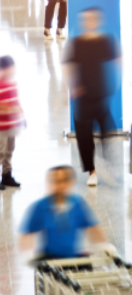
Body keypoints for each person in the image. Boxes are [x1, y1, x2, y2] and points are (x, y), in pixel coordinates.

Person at [63, 8, 121, 186]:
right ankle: (92, 171)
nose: (88, 23)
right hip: (83, 98)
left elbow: (117, 60)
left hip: (100, 95)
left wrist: (117, 81)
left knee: (107, 133)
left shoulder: (105, 41)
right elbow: (68, 65)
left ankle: (109, 166)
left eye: (91, 19)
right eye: (85, 20)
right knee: (84, 136)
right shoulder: (76, 43)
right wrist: (73, 86)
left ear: (96, 22)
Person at [19, 166, 108, 259]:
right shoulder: (41, 207)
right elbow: (27, 233)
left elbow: (93, 227)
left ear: (71, 182)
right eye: (56, 181)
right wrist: (28, 253)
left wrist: (104, 245)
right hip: (50, 258)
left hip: (73, 256)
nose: (60, 186)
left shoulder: (78, 204)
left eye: (64, 181)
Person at [0, 55, 24, 189]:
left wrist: (20, 112)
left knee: (9, 150)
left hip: (10, 125)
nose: (12, 70)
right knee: (0, 152)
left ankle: (6, 176)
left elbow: (15, 101)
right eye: (10, 68)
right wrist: (11, 108)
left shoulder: (12, 84)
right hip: (1, 126)